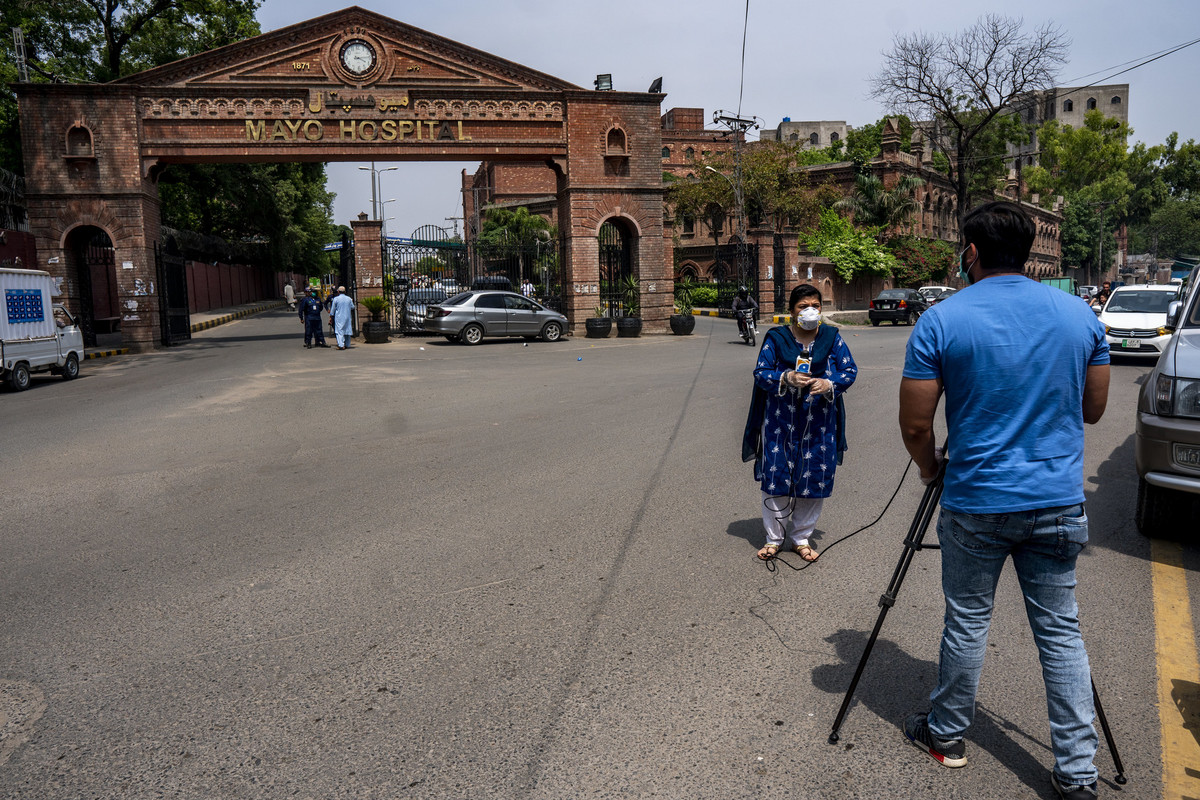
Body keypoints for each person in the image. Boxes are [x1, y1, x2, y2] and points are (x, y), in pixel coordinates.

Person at [898, 201, 1109, 799]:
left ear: (970, 253)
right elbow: (1092, 410)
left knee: (966, 622)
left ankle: (947, 735)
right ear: (1028, 252)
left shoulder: (942, 319)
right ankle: (1076, 773)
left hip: (976, 500)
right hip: (1057, 500)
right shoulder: (1080, 317)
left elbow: (916, 425)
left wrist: (929, 467)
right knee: (1060, 633)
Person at [742, 284, 857, 561]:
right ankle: (774, 538)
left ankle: (801, 538)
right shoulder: (777, 338)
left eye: (816, 306)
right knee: (777, 478)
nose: (810, 311)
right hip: (780, 424)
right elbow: (761, 372)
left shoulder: (832, 338)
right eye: (803, 306)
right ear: (792, 312)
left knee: (812, 480)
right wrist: (785, 378)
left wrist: (830, 382)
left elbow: (849, 370)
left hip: (819, 426)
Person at [329, 285, 355, 350]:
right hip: (347, 317)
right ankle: (347, 344)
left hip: (339, 317)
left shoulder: (336, 299)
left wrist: (331, 315)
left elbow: (333, 310)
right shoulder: (349, 299)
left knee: (339, 331)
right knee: (347, 330)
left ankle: (341, 345)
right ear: (345, 291)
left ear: (338, 291)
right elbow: (352, 307)